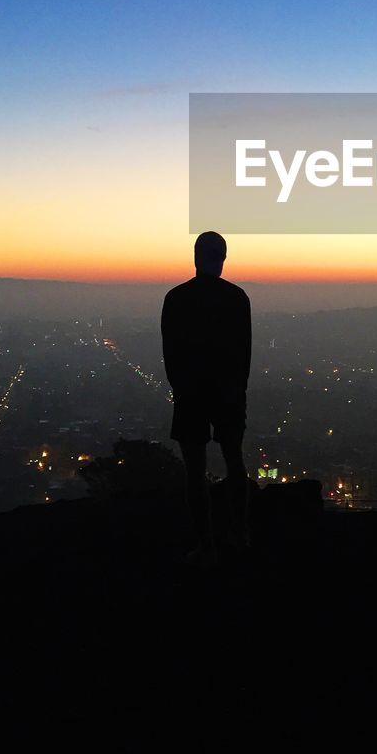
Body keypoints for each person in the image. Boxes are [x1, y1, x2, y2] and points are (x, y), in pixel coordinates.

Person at [161, 231, 252, 564]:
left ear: (196, 256)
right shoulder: (237, 298)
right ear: (223, 258)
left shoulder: (177, 298)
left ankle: (206, 544)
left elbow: (170, 351)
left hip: (191, 393)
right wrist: (237, 389)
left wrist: (181, 387)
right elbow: (245, 352)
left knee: (194, 471)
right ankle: (240, 537)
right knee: (234, 461)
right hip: (228, 392)